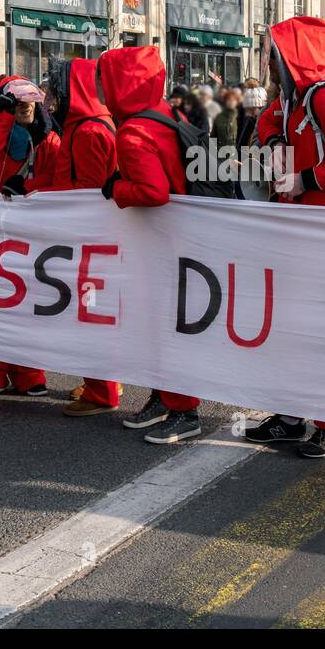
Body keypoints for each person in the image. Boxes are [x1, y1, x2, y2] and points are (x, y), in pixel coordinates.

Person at [244, 16, 325, 458]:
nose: (267, 61)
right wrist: (270, 145)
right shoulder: (293, 100)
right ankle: (289, 415)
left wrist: (307, 179)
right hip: (298, 231)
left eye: (272, 52)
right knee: (292, 328)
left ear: (292, 57)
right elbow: (267, 122)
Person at [95, 45, 203, 444]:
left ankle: (184, 410)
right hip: (183, 236)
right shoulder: (167, 114)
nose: (101, 90)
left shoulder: (133, 129)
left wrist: (116, 188)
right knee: (166, 323)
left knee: (163, 324)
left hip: (162, 240)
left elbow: (153, 191)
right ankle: (165, 396)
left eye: (105, 81)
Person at [31, 59, 122, 419]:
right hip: (88, 238)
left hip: (88, 241)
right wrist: (30, 191)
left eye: (55, 90)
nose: (50, 99)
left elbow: (86, 193)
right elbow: (62, 179)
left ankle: (102, 392)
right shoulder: (84, 126)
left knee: (90, 313)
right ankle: (102, 383)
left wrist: (41, 199)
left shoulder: (87, 132)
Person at [0, 77, 60, 398]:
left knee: (30, 299)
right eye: (19, 102)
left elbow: (60, 177)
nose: (27, 107)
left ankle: (28, 369)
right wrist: (3, 117)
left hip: (35, 232)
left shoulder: (49, 138)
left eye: (30, 101)